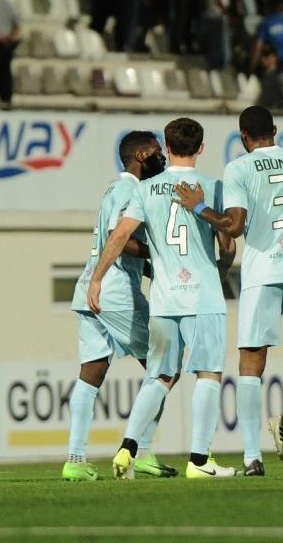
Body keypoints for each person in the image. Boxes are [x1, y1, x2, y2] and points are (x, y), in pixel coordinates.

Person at [173, 106, 283, 476]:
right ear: (275, 130)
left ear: (244, 137)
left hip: (261, 274)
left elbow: (233, 227)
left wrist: (198, 206)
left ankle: (252, 457)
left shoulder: (238, 168)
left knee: (251, 364)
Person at [88, 119, 237, 479]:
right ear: (201, 148)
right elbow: (228, 244)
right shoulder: (213, 187)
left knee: (159, 376)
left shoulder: (145, 189)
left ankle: (128, 448)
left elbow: (120, 236)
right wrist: (221, 269)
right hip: (202, 297)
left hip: (165, 300)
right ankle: (199, 461)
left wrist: (97, 278)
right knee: (208, 374)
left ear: (167, 148)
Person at [63, 131, 173, 482]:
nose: (161, 157)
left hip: (89, 289)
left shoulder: (112, 189)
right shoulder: (132, 190)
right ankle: (140, 451)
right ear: (141, 156)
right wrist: (161, 254)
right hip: (115, 291)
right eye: (156, 151)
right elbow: (120, 238)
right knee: (164, 367)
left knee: (91, 374)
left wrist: (149, 268)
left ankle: (75, 460)